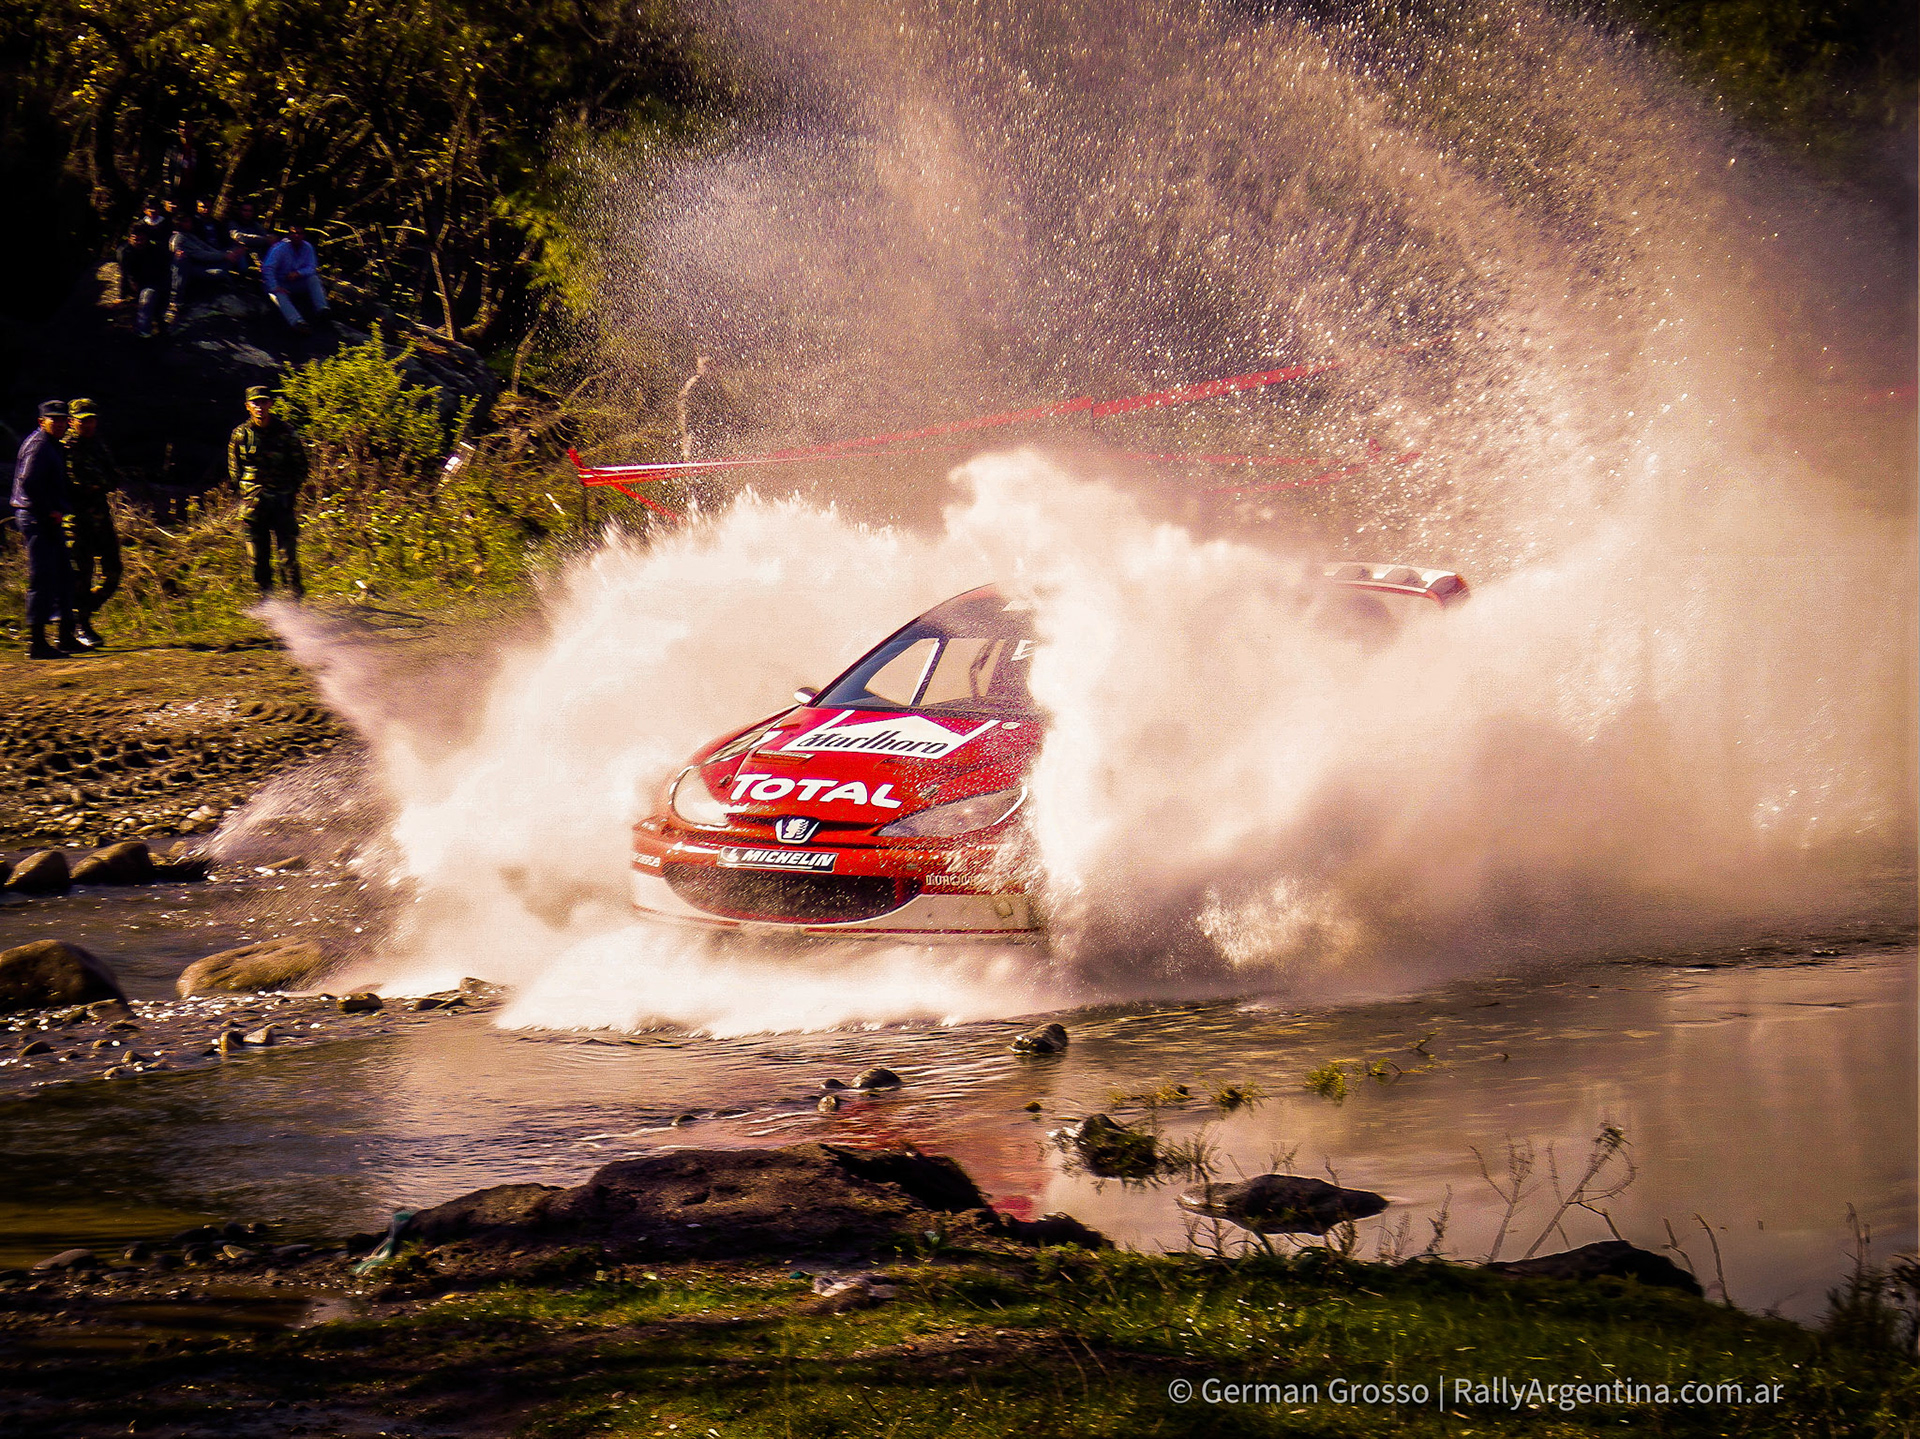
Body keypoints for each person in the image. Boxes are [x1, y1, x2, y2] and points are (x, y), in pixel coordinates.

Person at [9, 401, 79, 658]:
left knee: (63, 574)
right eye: (54, 420)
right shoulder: (39, 445)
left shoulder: (52, 445)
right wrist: (49, 510)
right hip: (36, 518)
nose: (59, 424)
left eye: (63, 420)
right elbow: (28, 481)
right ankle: (37, 643)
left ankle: (65, 637)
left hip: (45, 518)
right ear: (42, 422)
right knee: (43, 577)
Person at [228, 386, 307, 598]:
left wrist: (289, 491)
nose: (260, 407)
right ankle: (266, 603)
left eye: (263, 402)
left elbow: (301, 466)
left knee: (287, 556)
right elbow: (234, 469)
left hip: (282, 502)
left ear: (270, 404)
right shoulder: (240, 434)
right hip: (253, 505)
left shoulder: (286, 432)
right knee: (257, 558)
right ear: (247, 406)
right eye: (255, 403)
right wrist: (246, 493)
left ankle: (294, 600)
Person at [62, 398, 122, 648]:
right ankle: (80, 625)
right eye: (82, 420)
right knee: (82, 574)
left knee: (113, 571)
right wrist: (94, 485)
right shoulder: (65, 447)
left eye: (91, 420)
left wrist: (97, 484)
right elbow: (72, 484)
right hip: (76, 521)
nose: (87, 425)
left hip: (100, 515)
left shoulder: (97, 444)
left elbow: (114, 478)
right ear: (71, 421)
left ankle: (81, 613)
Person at [261, 224, 330, 333]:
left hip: (295, 282)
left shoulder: (307, 248)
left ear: (304, 235)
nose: (296, 236)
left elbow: (311, 267)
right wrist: (274, 286)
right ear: (289, 234)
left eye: (299, 233)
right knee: (279, 295)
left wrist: (298, 273)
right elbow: (268, 268)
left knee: (313, 279)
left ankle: (323, 310)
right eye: (293, 233)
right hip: (278, 283)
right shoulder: (279, 249)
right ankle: (297, 322)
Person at [117, 225, 170, 338]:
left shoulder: (156, 249)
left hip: (155, 281)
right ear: (129, 239)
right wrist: (122, 295)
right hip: (138, 282)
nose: (139, 242)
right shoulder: (125, 252)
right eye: (136, 239)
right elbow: (125, 273)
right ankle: (143, 331)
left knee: (151, 296)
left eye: (142, 239)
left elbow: (164, 270)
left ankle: (151, 328)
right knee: (146, 297)